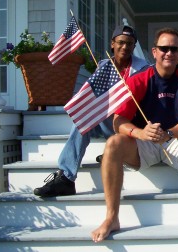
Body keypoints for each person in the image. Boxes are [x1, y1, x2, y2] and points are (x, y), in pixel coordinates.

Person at [91, 28, 178, 242]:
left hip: (176, 142)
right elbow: (118, 121)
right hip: (144, 143)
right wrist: (140, 132)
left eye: (174, 49)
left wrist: (169, 133)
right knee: (113, 143)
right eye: (164, 48)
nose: (169, 53)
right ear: (154, 51)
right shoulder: (138, 79)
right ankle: (112, 217)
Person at [33, 25, 148, 197]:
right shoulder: (103, 66)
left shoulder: (144, 69)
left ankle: (114, 152)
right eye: (121, 42)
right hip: (109, 122)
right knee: (82, 122)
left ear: (134, 46)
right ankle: (66, 177)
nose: (125, 47)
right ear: (112, 44)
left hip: (129, 125)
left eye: (130, 44)